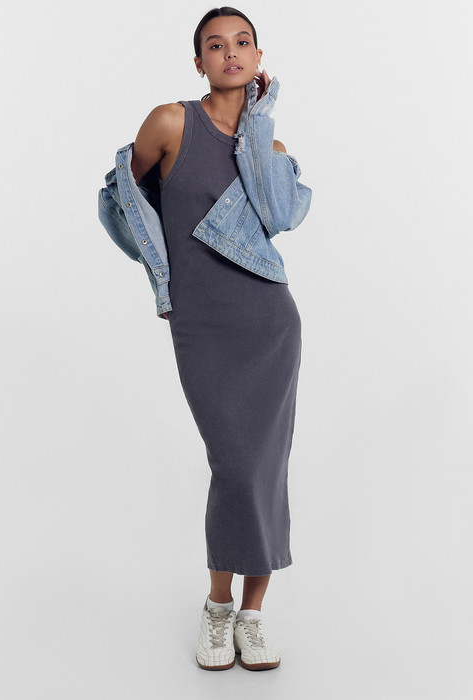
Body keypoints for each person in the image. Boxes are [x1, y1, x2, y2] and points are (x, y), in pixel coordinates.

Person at [128, 7, 311, 671]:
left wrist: (259, 127)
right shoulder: (169, 123)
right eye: (215, 44)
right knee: (233, 465)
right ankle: (216, 606)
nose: (229, 53)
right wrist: (162, 279)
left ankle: (250, 615)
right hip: (203, 326)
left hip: (269, 324)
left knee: (264, 468)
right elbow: (126, 200)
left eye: (242, 43)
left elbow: (280, 217)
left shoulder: (273, 152)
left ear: (258, 59)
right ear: (199, 61)